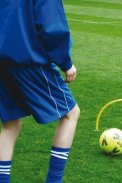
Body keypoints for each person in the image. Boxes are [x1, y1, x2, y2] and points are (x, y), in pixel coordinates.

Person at [0, 0, 80, 182]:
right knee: (70, 114)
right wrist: (66, 63)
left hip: (2, 61)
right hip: (28, 58)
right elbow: (51, 26)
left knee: (10, 125)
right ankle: (54, 180)